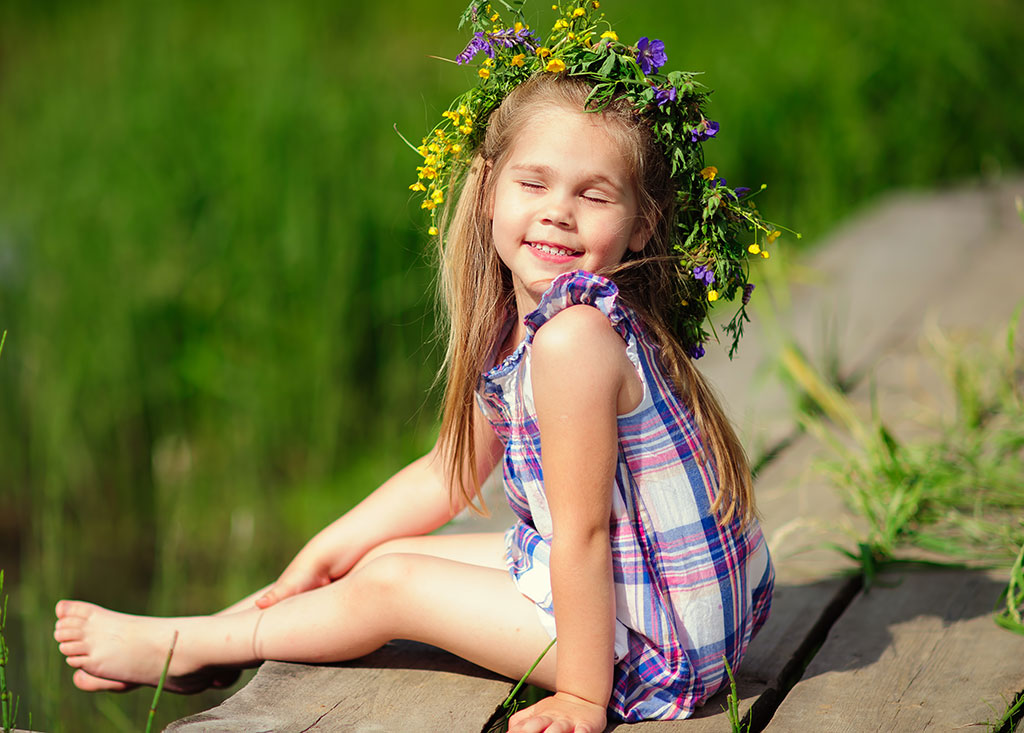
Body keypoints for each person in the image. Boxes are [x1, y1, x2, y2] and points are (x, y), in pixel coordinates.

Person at [55, 4, 778, 730]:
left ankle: (187, 642)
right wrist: (323, 549)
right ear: (489, 187)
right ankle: (216, 632)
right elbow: (449, 471)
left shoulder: (574, 340)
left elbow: (586, 535)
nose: (558, 212)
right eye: (535, 184)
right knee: (378, 552)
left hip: (660, 644)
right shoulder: (524, 323)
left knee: (393, 584)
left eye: (592, 194)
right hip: (640, 595)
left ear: (640, 224)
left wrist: (582, 699)